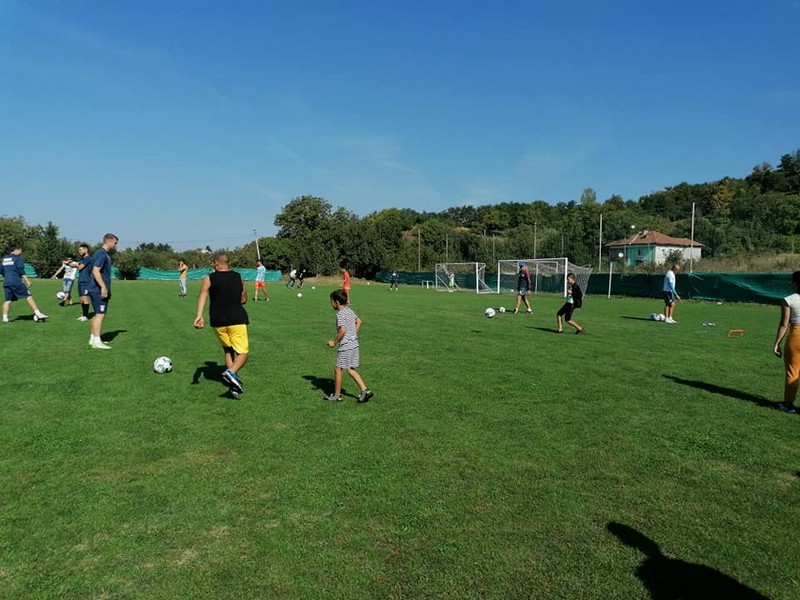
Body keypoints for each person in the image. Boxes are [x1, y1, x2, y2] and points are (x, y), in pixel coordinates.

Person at [194, 253, 249, 397]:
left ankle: (233, 384)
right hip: (237, 319)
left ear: (216, 263)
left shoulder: (209, 278)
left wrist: (199, 315)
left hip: (217, 321)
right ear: (228, 263)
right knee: (243, 353)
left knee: (228, 350)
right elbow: (244, 298)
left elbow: (202, 295)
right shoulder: (238, 277)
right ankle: (230, 373)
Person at [324, 289, 373, 404]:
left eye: (331, 301)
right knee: (350, 369)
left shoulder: (340, 314)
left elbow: (342, 330)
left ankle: (337, 396)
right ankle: (365, 391)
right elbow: (359, 321)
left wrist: (334, 342)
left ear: (336, 302)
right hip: (354, 344)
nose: (331, 303)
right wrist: (353, 334)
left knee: (338, 369)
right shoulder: (349, 310)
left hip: (346, 346)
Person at [772, 270, 800, 414]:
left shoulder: (789, 300)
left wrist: (777, 343)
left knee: (793, 372)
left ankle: (788, 404)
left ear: (795, 283)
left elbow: (784, 324)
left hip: (796, 336)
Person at [2, 245, 49, 323]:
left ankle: (5, 318)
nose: (21, 252)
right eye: (20, 250)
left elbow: (2, 271)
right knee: (28, 296)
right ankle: (38, 314)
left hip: (6, 282)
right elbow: (21, 271)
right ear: (16, 250)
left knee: (7, 300)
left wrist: (8, 276)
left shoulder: (4, 259)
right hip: (16, 281)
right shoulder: (18, 258)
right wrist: (27, 280)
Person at [87, 233, 118, 349]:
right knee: (100, 314)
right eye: (115, 243)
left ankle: (93, 338)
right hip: (97, 289)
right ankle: (97, 341)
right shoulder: (102, 254)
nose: (116, 245)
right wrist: (103, 287)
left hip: (96, 288)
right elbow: (95, 270)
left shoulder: (101, 253)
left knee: (97, 314)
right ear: (109, 241)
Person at [75, 244, 93, 321]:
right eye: (79, 250)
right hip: (80, 281)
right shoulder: (82, 259)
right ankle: (83, 315)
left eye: (81, 250)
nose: (79, 252)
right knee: (81, 299)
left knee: (85, 299)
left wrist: (75, 264)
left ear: (86, 250)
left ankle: (86, 316)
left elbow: (80, 267)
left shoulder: (88, 258)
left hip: (86, 281)